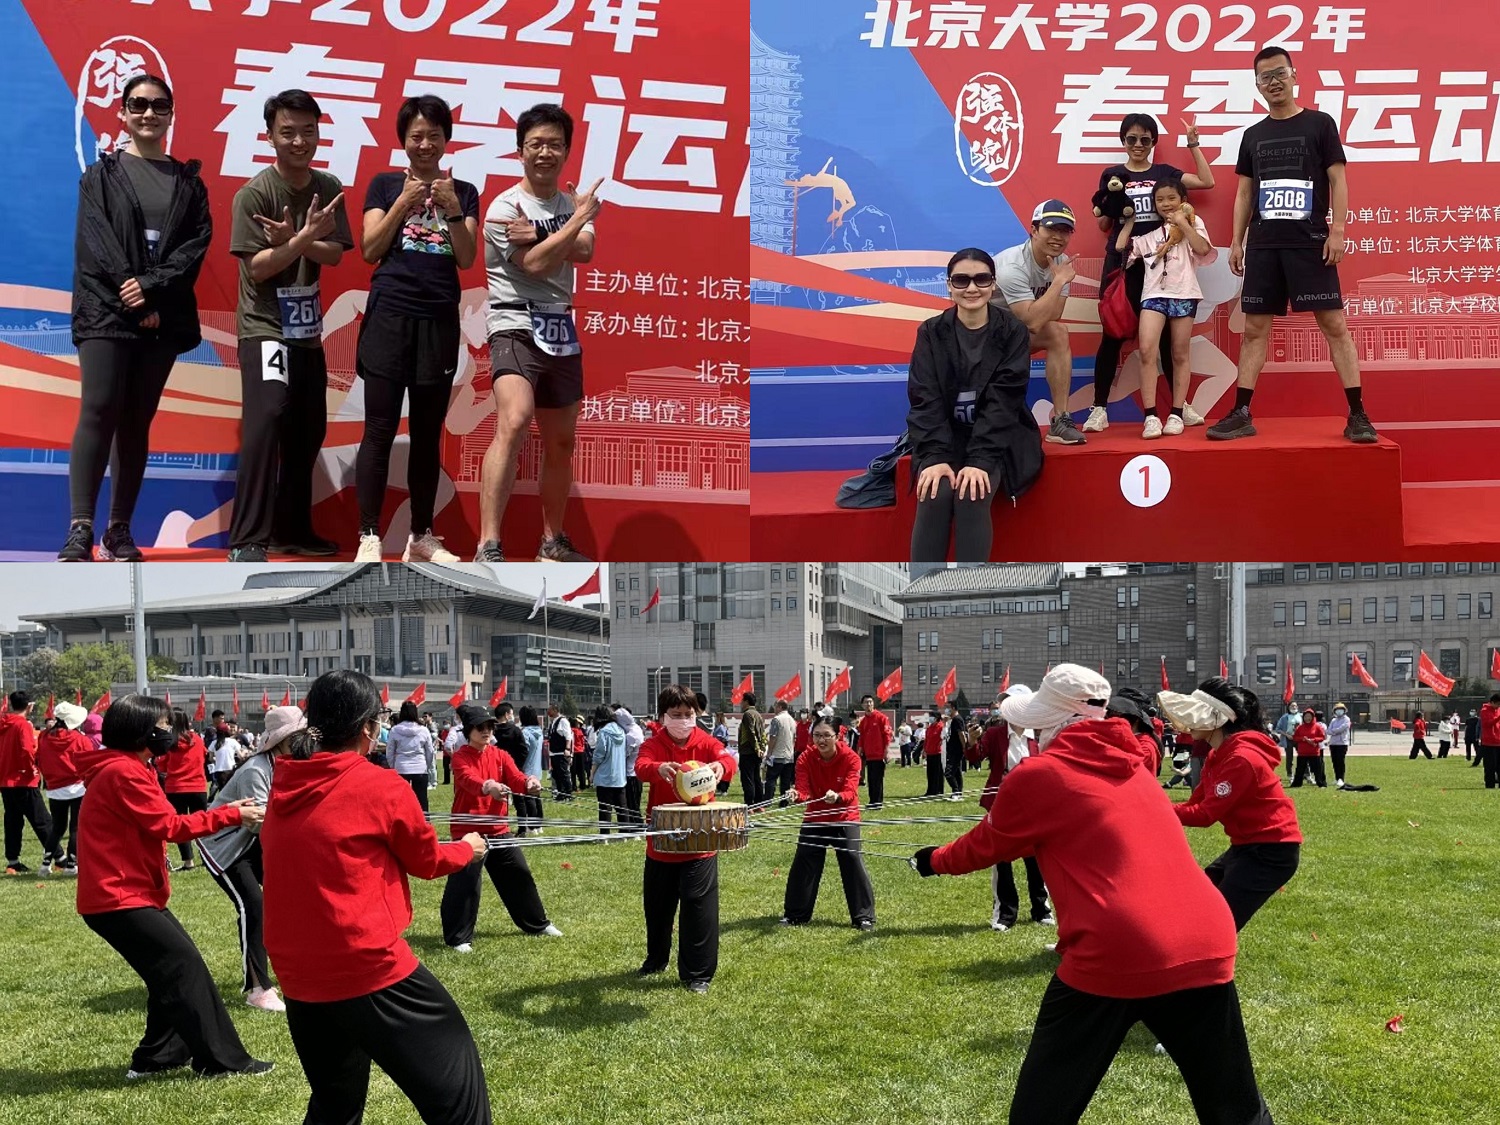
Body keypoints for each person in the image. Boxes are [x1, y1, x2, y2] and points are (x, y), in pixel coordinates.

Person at [910, 665, 1271, 1125]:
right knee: (1237, 1112)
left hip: (1117, 948)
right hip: (1205, 937)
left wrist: (933, 860)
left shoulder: (1038, 775)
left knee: (1041, 1113)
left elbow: (985, 845)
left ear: (1051, 721)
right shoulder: (1136, 767)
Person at [261, 670, 491, 1123]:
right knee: (457, 1092)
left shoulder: (283, 785)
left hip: (298, 975)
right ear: (368, 728)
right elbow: (427, 860)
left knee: (334, 1104)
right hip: (366, 966)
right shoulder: (381, 786)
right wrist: (468, 849)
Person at [76, 694, 271, 1078]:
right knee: (183, 967)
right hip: (119, 898)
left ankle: (157, 1058)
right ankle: (221, 1061)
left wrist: (227, 811)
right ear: (141, 730)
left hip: (127, 895)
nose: (171, 732)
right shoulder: (124, 772)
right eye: (164, 725)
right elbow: (171, 827)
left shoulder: (128, 767)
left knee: (169, 973)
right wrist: (231, 815)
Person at [61, 74, 213, 562]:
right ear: (122, 113)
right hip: (106, 309)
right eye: (139, 105)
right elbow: (95, 243)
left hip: (161, 313)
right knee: (99, 408)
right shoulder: (100, 176)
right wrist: (134, 294)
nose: (149, 113)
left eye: (159, 105)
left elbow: (193, 248)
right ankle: (80, 527)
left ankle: (118, 530)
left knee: (135, 420)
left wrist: (151, 292)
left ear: (171, 114)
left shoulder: (189, 183)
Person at [1210, 45, 1376, 444]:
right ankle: (1242, 412)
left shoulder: (1320, 124)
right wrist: (1237, 241)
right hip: (1264, 245)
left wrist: (1338, 231)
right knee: (1254, 329)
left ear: (1294, 75)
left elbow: (1338, 180)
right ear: (1257, 85)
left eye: (1280, 73)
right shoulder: (1253, 135)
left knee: (1334, 325)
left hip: (1310, 243)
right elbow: (1244, 193)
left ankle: (1358, 414)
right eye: (1265, 77)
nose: (1274, 82)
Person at [226, 88, 353, 561]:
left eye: (307, 131)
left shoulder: (328, 186)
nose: (299, 141)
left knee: (307, 428)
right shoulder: (254, 194)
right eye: (288, 132)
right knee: (266, 421)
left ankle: (291, 530)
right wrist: (301, 240)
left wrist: (299, 240)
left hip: (306, 332)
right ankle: (247, 539)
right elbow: (258, 267)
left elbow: (334, 254)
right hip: (264, 327)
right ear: (270, 136)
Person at [352, 95, 476, 564]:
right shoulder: (385, 185)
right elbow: (369, 248)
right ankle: (368, 534)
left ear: (446, 140)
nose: (425, 145)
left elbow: (467, 258)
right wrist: (403, 203)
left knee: (427, 435)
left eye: (434, 136)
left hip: (438, 320)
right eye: (416, 136)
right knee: (379, 430)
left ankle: (422, 535)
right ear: (403, 140)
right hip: (390, 316)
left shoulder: (464, 191)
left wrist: (452, 210)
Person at [475, 103, 602, 563]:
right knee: (514, 420)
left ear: (566, 151)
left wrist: (549, 231)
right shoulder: (503, 207)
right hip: (513, 323)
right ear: (520, 151)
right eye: (536, 144)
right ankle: (488, 543)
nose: (545, 153)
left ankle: (552, 541)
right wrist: (574, 223)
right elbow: (534, 263)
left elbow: (584, 251)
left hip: (560, 325)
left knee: (562, 441)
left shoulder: (570, 202)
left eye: (554, 144)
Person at [907, 248, 1042, 563]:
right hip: (944, 434)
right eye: (961, 280)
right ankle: (923, 588)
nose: (972, 288)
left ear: (993, 284)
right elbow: (924, 397)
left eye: (981, 279)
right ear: (949, 286)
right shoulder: (930, 332)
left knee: (972, 493)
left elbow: (1005, 402)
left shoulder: (1013, 332)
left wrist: (980, 461)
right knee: (935, 492)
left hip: (996, 437)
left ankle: (969, 585)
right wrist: (935, 457)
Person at [1085, 112, 1215, 433]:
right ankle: (1099, 408)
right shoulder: (1112, 175)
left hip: (1162, 263)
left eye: (1145, 139)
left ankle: (1179, 407)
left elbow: (1206, 182)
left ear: (1154, 142)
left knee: (1169, 338)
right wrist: (1115, 208)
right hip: (1125, 260)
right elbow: (1103, 224)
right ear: (1123, 141)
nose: (1138, 144)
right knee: (1113, 333)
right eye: (1132, 139)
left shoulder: (1164, 173)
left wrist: (1193, 144)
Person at [1158, 681, 1303, 931]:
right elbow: (1195, 803)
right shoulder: (1217, 755)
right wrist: (1156, 805)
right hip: (1246, 846)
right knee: (1199, 901)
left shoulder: (1241, 759)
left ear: (1218, 718)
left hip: (1271, 853)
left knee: (1218, 923)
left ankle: (1209, 953)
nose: (1189, 722)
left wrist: (1154, 808)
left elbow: (1204, 815)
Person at [198, 705, 304, 1013]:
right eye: (298, 736)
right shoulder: (256, 770)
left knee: (290, 895)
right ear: (282, 740)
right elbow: (261, 822)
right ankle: (258, 989)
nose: (305, 741)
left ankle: (292, 965)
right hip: (224, 847)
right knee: (253, 906)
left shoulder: (291, 764)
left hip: (254, 841)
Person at [635, 684, 736, 994]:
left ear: (696, 714)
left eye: (688, 714)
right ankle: (656, 959)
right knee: (658, 907)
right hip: (662, 842)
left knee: (698, 906)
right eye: (675, 714)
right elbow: (641, 767)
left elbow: (729, 761)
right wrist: (659, 768)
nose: (682, 720)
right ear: (663, 716)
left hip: (699, 842)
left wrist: (721, 766)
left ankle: (698, 974)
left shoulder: (706, 742)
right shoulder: (654, 744)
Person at [440, 702, 560, 950]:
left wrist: (528, 783)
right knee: (466, 885)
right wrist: (488, 786)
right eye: (480, 727)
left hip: (498, 830)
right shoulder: (460, 756)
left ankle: (537, 924)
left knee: (519, 875)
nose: (486, 731)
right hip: (468, 831)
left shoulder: (500, 755)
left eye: (489, 727)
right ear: (469, 730)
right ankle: (458, 938)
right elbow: (468, 779)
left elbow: (516, 778)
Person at [1115, 179, 1217, 438]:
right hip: (1153, 296)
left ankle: (1176, 413)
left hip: (1184, 295)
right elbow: (1121, 249)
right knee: (1147, 351)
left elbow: (1203, 250)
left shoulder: (1195, 223)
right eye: (1160, 200)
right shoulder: (1150, 237)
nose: (1166, 204)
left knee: (1180, 354)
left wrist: (1183, 223)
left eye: (1171, 198)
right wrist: (1129, 222)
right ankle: (1151, 416)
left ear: (1183, 200)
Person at [993, 203, 1087, 445]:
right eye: (1051, 229)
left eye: (1064, 231)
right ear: (1034, 230)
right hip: (983, 339)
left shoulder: (1062, 262)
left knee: (1058, 332)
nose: (1058, 237)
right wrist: (1058, 283)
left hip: (1014, 334)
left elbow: (1054, 315)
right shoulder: (1012, 265)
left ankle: (1061, 420)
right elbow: (1033, 322)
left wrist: (1058, 281)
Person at [971, 686, 1053, 932]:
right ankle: (1005, 914)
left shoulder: (1039, 735)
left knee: (1036, 857)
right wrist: (972, 741)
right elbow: (975, 757)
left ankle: (1041, 909)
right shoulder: (995, 734)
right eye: (1004, 703)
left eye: (1011, 702)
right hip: (1000, 803)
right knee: (1001, 857)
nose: (1005, 708)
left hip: (1033, 804)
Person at [782, 716, 875, 930]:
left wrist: (838, 797)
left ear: (838, 736)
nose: (821, 740)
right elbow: (804, 791)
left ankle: (863, 917)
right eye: (817, 735)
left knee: (852, 859)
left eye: (826, 735)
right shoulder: (805, 758)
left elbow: (851, 791)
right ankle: (795, 915)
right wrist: (796, 795)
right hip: (816, 817)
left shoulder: (851, 758)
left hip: (844, 816)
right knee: (804, 859)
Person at [36, 701, 93, 874]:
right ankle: (71, 865)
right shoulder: (80, 739)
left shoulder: (44, 737)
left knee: (57, 828)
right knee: (75, 827)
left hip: (54, 788)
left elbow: (39, 759)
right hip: (77, 787)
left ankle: (46, 863)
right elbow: (89, 762)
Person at [1, 692, 52, 873]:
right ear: (29, 706)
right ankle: (60, 857)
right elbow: (26, 749)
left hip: (6, 780)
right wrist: (31, 769)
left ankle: (13, 861)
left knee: (12, 821)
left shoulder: (4, 723)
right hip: (24, 779)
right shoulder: (22, 724)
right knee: (42, 820)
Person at [157, 709, 210, 872]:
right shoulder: (197, 740)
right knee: (203, 824)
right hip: (198, 787)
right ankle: (206, 858)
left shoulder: (169, 742)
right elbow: (205, 756)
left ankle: (188, 861)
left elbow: (161, 765)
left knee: (180, 826)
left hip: (175, 788)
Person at [387, 700, 436, 811]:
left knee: (400, 800)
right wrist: (427, 765)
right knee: (422, 800)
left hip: (401, 766)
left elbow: (390, 751)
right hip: (420, 766)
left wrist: (393, 766)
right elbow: (430, 751)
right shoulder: (423, 730)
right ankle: (424, 820)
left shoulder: (395, 730)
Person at [591, 704, 628, 835]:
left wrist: (592, 773)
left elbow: (599, 755)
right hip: (619, 776)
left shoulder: (604, 732)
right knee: (622, 807)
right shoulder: (621, 730)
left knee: (605, 807)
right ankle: (625, 833)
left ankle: (605, 834)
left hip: (604, 776)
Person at [856, 695, 893, 809]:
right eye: (866, 702)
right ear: (862, 705)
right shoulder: (863, 721)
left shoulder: (881, 717)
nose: (868, 704)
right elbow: (862, 737)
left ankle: (877, 802)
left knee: (877, 779)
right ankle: (872, 801)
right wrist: (860, 749)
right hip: (869, 755)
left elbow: (887, 735)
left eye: (870, 702)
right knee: (871, 779)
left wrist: (886, 751)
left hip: (879, 754)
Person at [616, 706, 647, 832]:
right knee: (633, 802)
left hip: (631, 773)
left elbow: (624, 753)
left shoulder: (631, 735)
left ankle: (638, 827)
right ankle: (635, 826)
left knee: (632, 803)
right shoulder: (636, 728)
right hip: (635, 772)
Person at [763, 700, 797, 807]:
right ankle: (784, 802)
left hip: (777, 755)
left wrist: (769, 753)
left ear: (780, 707)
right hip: (789, 756)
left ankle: (767, 800)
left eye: (775, 706)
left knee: (771, 779)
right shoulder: (792, 720)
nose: (774, 709)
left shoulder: (777, 720)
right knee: (785, 782)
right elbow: (794, 738)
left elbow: (773, 737)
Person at [519, 705, 547, 832]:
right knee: (537, 797)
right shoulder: (539, 732)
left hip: (527, 769)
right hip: (537, 769)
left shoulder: (525, 732)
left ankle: (532, 826)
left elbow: (523, 751)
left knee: (528, 799)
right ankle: (539, 825)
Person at [737, 693, 766, 806]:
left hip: (747, 751)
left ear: (746, 701)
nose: (741, 703)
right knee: (756, 778)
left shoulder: (747, 714)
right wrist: (762, 748)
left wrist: (757, 748)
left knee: (747, 779)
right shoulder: (758, 715)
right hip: (756, 752)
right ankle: (759, 803)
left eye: (742, 701)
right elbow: (763, 734)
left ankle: (750, 804)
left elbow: (750, 733)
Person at [1291, 706, 1328, 787]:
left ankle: (1321, 783)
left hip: (1314, 752)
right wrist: (1302, 739)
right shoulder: (1300, 727)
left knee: (1318, 769)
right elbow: (1295, 737)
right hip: (1302, 752)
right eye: (1306, 716)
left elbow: (1322, 737)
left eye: (1309, 716)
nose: (1307, 718)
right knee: (1300, 769)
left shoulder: (1317, 726)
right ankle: (1297, 783)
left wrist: (1314, 740)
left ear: (1312, 717)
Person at [545, 702, 574, 798]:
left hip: (561, 752)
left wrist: (567, 749)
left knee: (563, 774)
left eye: (550, 710)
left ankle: (568, 793)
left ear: (555, 710)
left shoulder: (563, 721)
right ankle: (561, 793)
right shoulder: (553, 722)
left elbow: (568, 736)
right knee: (556, 774)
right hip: (554, 752)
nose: (548, 712)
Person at [1326, 702, 1354, 788]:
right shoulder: (1333, 720)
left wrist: (1333, 731)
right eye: (1337, 709)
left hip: (1342, 743)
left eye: (1341, 709)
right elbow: (1328, 731)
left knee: (1340, 761)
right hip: (1333, 743)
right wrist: (1334, 731)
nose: (1339, 711)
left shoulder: (1347, 719)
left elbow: (1341, 729)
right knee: (1334, 761)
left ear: (1344, 710)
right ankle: (1336, 777)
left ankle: (1341, 778)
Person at [943, 705, 966, 798]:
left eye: (947, 708)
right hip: (952, 749)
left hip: (956, 750)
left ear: (953, 708)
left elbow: (961, 733)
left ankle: (956, 791)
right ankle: (958, 793)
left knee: (948, 773)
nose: (946, 710)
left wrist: (964, 747)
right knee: (956, 772)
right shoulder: (953, 720)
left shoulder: (957, 719)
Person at [1273, 701, 1300, 779]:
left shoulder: (1301, 716)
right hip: (1288, 739)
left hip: (1299, 739)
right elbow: (1278, 729)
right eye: (1292, 706)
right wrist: (1287, 735)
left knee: (1303, 756)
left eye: (1295, 706)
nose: (1294, 707)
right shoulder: (1284, 717)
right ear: (1288, 707)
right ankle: (1290, 774)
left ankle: (1306, 774)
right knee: (1289, 757)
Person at [1479, 694, 1500, 789]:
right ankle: (1490, 784)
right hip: (1489, 742)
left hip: (1498, 741)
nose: (1498, 706)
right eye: (1497, 704)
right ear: (1492, 702)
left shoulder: (1498, 710)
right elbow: (1487, 724)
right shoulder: (1484, 711)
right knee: (1490, 765)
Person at [923, 714, 946, 796]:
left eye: (931, 717)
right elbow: (927, 739)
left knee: (938, 773)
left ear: (936, 718)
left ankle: (938, 790)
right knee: (930, 773)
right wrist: (924, 750)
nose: (930, 718)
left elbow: (943, 738)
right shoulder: (929, 728)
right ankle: (930, 790)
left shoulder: (941, 727)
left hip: (938, 753)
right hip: (930, 752)